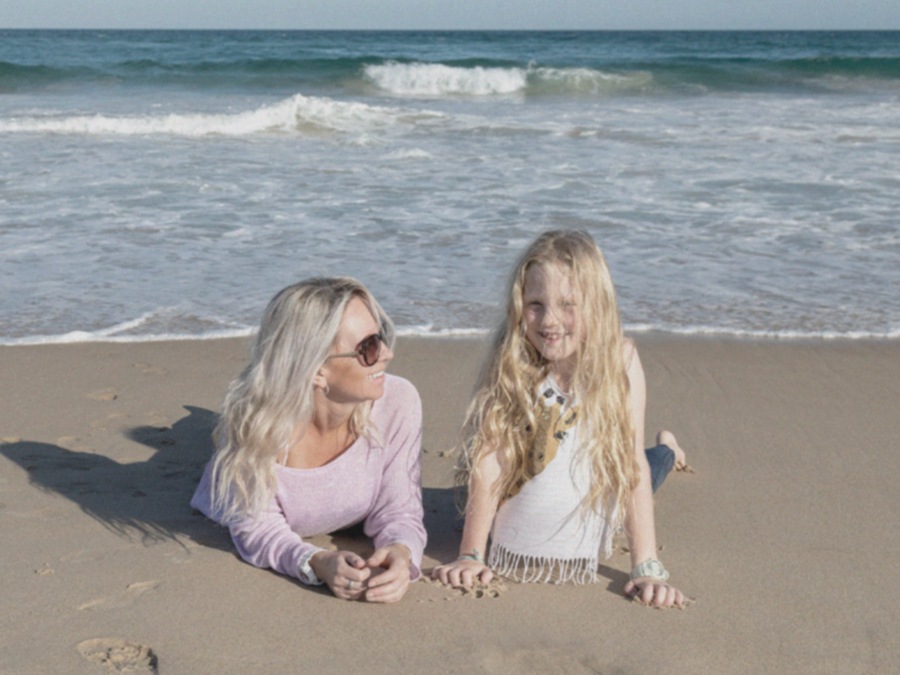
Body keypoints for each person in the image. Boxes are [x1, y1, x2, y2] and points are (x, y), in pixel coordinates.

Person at [432, 230, 688, 608]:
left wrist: (646, 566)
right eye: (535, 303)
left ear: (596, 305)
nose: (549, 321)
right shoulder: (512, 360)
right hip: (542, 471)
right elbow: (489, 461)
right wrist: (471, 553)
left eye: (568, 304)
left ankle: (668, 448)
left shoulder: (620, 361)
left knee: (651, 465)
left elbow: (629, 465)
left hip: (600, 482)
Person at [191, 277, 426, 603]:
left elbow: (400, 510)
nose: (387, 353)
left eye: (382, 337)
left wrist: (402, 553)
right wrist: (315, 562)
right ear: (316, 370)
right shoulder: (255, 425)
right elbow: (258, 529)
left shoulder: (398, 402)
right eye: (368, 347)